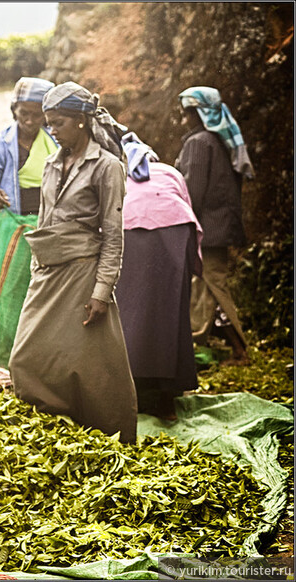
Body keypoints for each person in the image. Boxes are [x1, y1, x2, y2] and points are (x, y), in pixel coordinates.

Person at [8, 81, 138, 444]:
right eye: (49, 122)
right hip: (49, 270)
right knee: (26, 357)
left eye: (59, 122)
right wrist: (37, 269)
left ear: (82, 121)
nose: (51, 130)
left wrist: (102, 291)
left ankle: (107, 433)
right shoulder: (52, 163)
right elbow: (44, 220)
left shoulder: (106, 166)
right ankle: (52, 426)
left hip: (84, 272)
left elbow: (113, 233)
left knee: (91, 365)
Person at [0, 77, 58, 368]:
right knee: (9, 292)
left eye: (37, 114)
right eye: (24, 114)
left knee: (46, 291)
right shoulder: (0, 145)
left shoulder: (56, 140)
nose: (30, 121)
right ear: (14, 111)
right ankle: (10, 353)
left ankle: (44, 353)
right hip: (13, 231)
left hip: (49, 227)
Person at [116, 132, 204, 420]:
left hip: (131, 233)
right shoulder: (169, 171)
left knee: (131, 314)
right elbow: (187, 206)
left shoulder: (117, 172)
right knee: (171, 315)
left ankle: (138, 394)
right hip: (176, 230)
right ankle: (167, 398)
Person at [175, 86, 253, 365]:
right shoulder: (219, 140)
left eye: (187, 115)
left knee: (214, 285)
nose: (184, 121)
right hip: (221, 226)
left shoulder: (199, 142)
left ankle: (240, 349)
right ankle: (207, 343)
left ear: (201, 114)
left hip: (208, 228)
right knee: (208, 286)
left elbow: (192, 190)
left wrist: (181, 222)